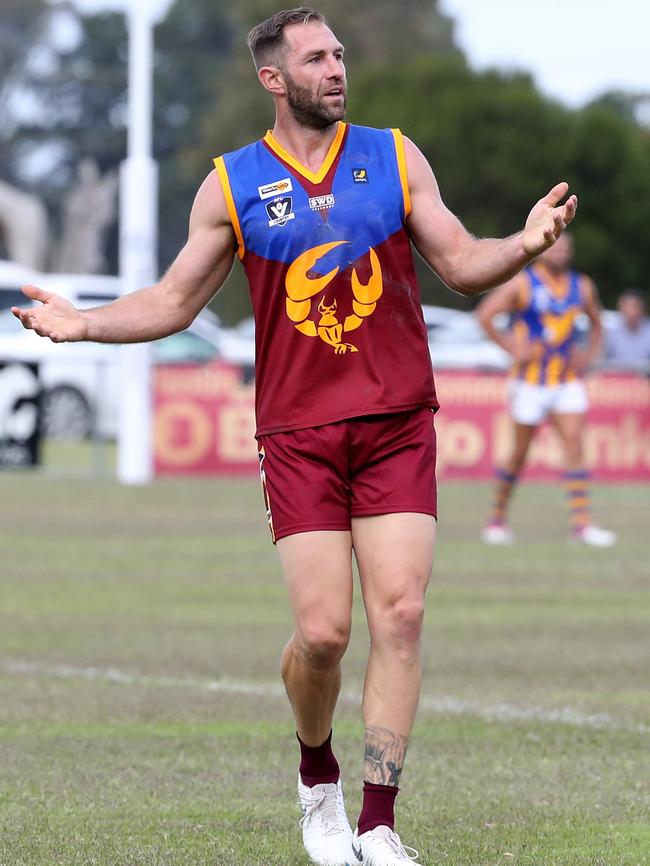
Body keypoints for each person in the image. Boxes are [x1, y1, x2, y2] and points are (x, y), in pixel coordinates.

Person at [12, 8, 578, 865]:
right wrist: (83, 325)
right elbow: (172, 304)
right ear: (273, 79)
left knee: (403, 612)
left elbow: (462, 263)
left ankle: (379, 821)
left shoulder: (392, 155)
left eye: (339, 54)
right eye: (315, 59)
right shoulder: (230, 184)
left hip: (396, 424)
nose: (336, 69)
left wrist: (525, 246)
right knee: (322, 635)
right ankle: (318, 778)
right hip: (300, 436)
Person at [476, 233, 616, 548]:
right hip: (529, 381)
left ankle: (582, 525)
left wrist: (590, 356)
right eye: (556, 246)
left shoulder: (582, 286)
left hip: (566, 381)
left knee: (575, 448)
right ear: (542, 250)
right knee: (519, 455)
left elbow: (599, 323)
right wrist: (511, 347)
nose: (562, 251)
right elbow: (485, 315)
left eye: (567, 246)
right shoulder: (523, 283)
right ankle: (496, 520)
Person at [605, 288, 650, 372]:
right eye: (626, 306)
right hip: (617, 379)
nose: (630, 310)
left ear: (642, 307)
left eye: (634, 306)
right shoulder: (611, 332)